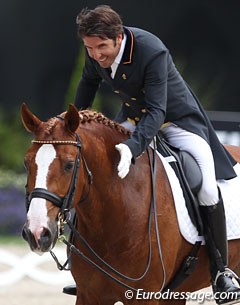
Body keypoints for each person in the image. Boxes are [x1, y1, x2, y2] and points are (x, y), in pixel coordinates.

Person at [64, 5, 240, 304]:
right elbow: (87, 84)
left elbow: (157, 111)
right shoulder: (95, 50)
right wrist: (70, 126)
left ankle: (222, 272)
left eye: (101, 47)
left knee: (208, 187)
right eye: (89, 48)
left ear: (118, 38)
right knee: (88, 166)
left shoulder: (150, 49)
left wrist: (131, 148)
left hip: (179, 123)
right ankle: (91, 269)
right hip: (132, 120)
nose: (96, 55)